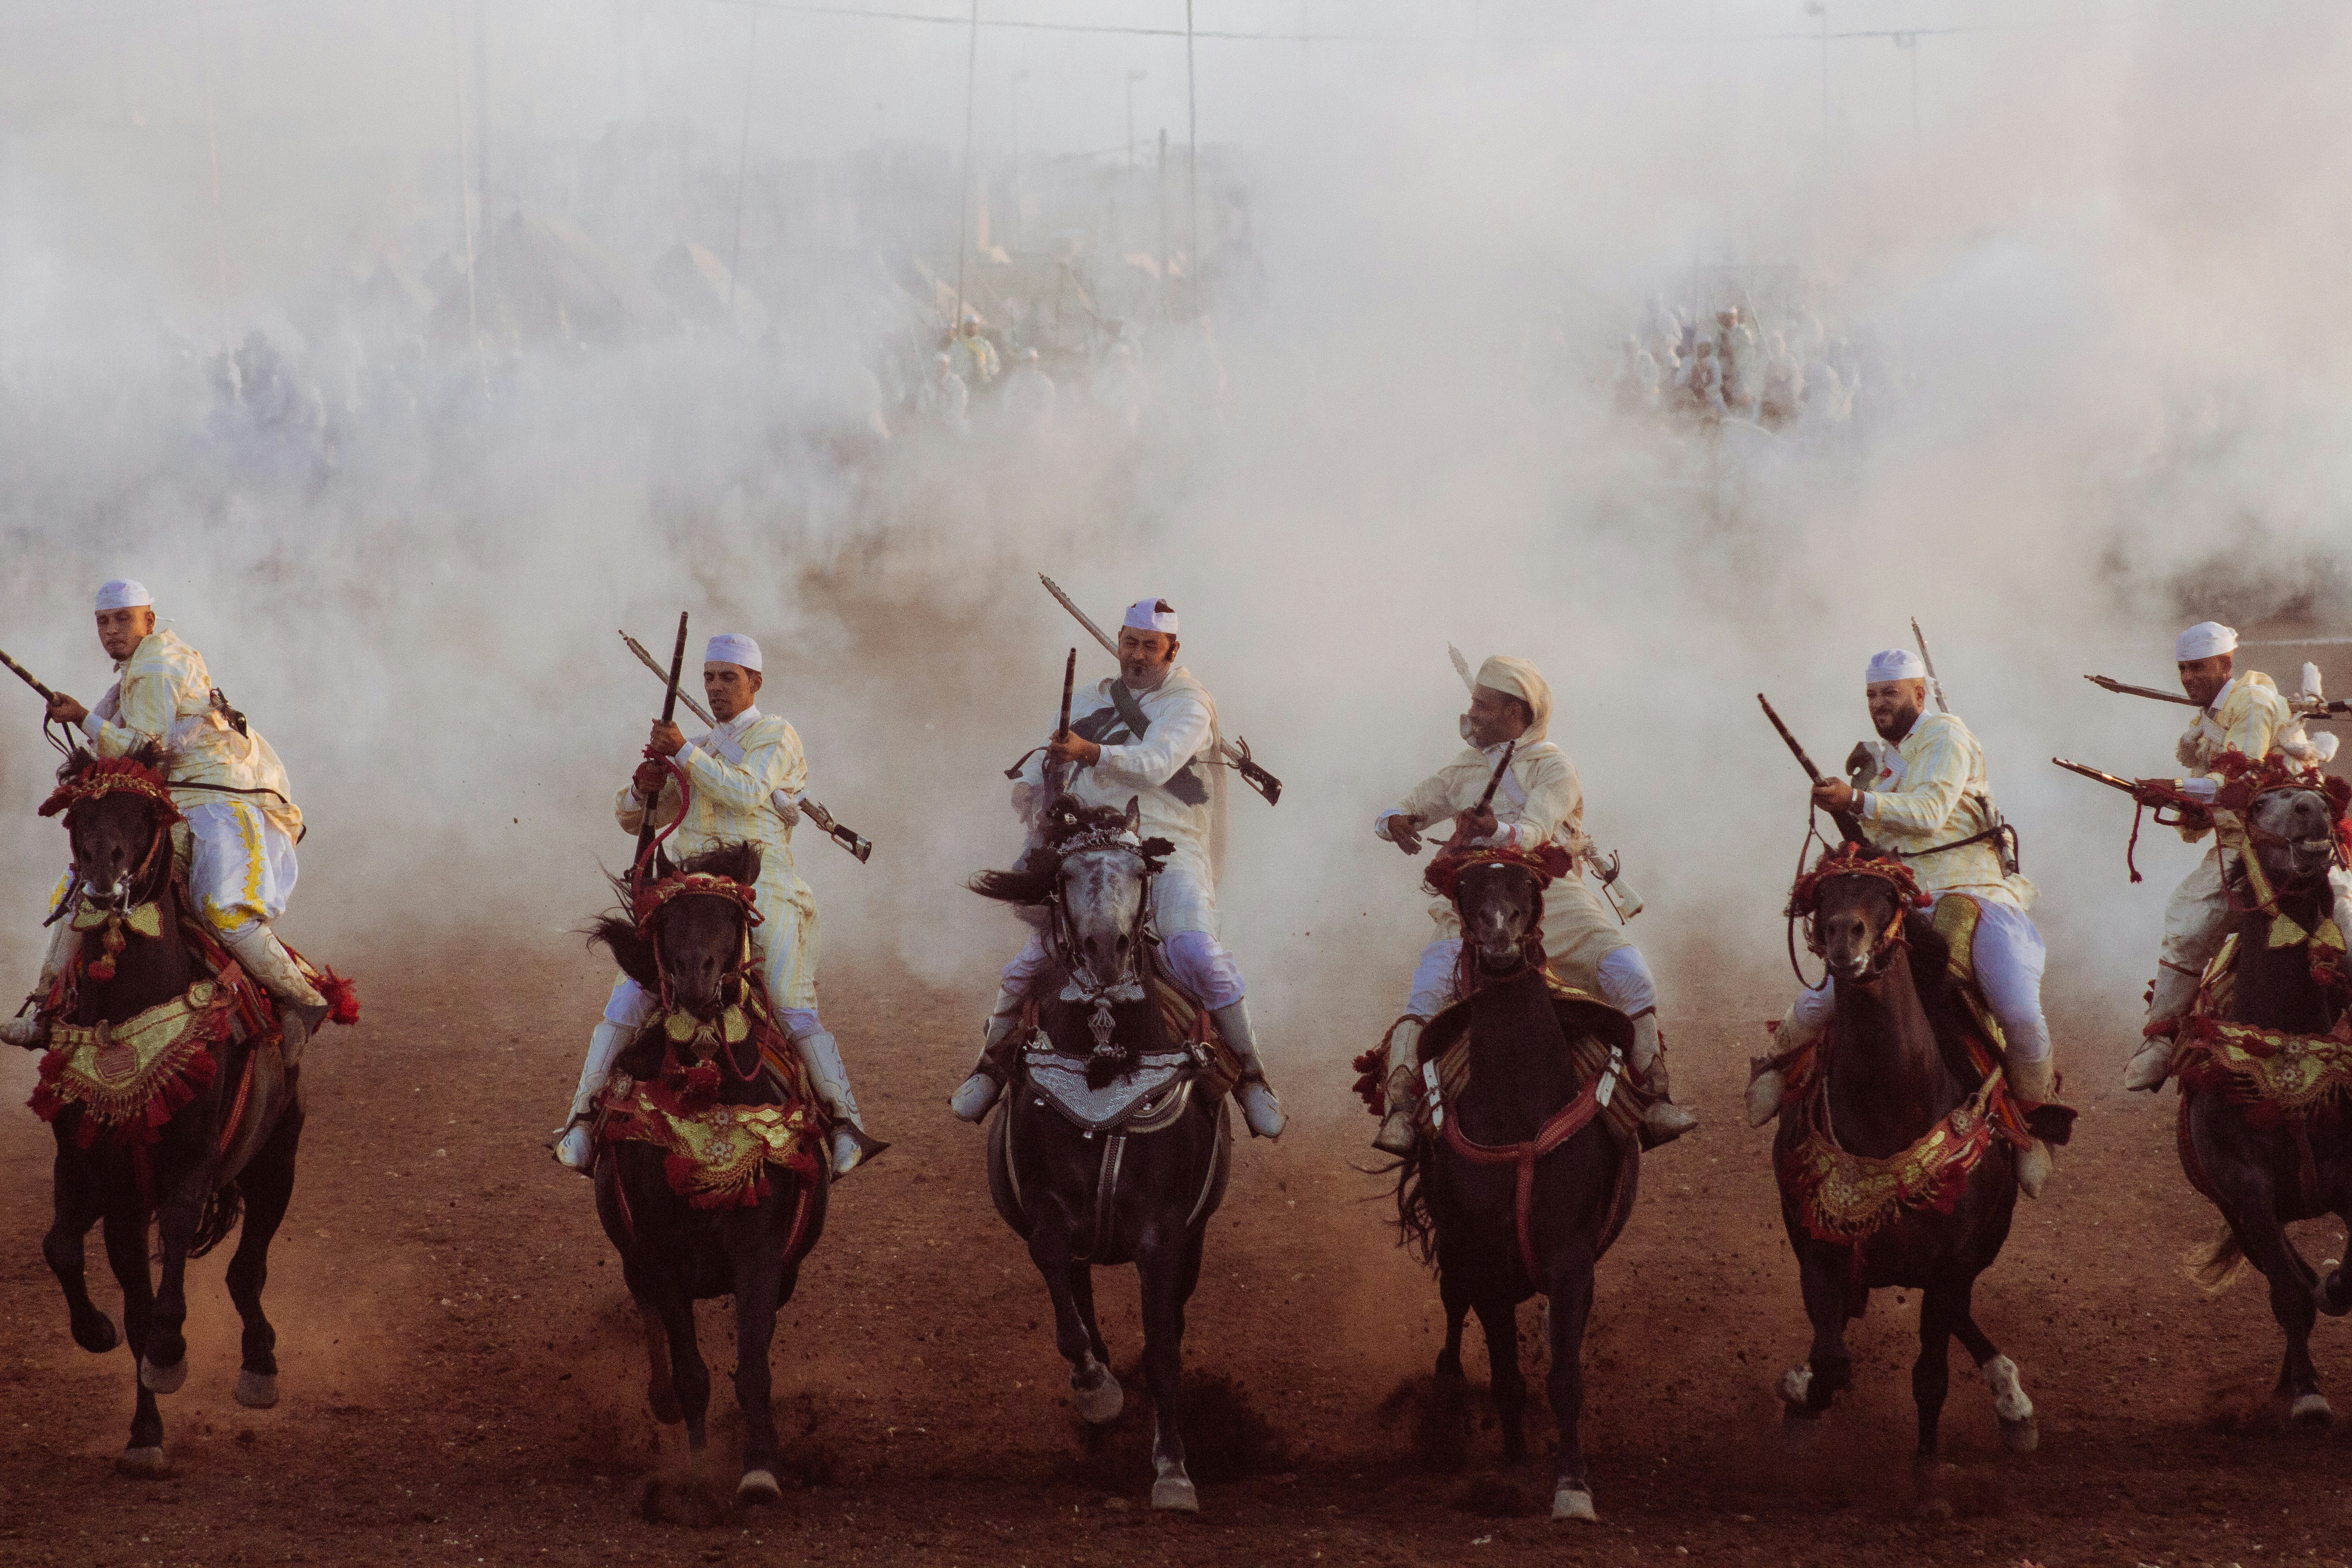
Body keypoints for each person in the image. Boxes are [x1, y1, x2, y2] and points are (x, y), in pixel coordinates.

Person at [950, 598, 1285, 1139]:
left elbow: (1154, 765)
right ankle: (989, 1067)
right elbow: (1047, 752)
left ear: (1173, 650)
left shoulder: (1190, 705)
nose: (1136, 655)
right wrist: (1031, 784)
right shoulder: (1091, 697)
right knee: (1036, 958)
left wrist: (1088, 752)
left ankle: (1251, 1076)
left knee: (1196, 951)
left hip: (1168, 847)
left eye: (1150, 646)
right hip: (1089, 843)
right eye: (1129, 643)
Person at [551, 633, 880, 1178]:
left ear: (755, 682)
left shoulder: (777, 735)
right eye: (708, 678)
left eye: (728, 677)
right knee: (630, 997)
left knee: (791, 1006)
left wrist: (683, 752)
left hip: (762, 888)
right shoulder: (699, 747)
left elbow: (746, 792)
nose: (716, 687)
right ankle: (581, 1121)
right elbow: (634, 819)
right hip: (689, 892)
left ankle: (846, 1124)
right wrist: (645, 785)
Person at [1369, 655, 1694, 1154]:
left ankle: (1655, 1095)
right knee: (1429, 985)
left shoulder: (1555, 767)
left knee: (1631, 972)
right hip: (1474, 901)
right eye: (1473, 701)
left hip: (1550, 894)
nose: (1471, 712)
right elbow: (1410, 803)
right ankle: (1400, 1110)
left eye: (1482, 705)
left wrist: (1493, 830)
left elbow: (1538, 830)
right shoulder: (1465, 769)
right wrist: (1395, 820)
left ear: (1516, 715)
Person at [1766, 648, 2058, 1193]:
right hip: (1906, 901)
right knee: (1827, 995)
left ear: (1919, 695)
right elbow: (1881, 838)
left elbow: (1930, 813)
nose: (1879, 703)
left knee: (2018, 1011)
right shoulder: (1887, 758)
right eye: (1873, 695)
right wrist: (1849, 814)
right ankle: (1776, 1068)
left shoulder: (1946, 735)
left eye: (1890, 693)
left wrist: (1857, 797)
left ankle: (2028, 1126)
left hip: (1976, 895)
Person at [19, 579, 328, 1051]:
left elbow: (146, 748)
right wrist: (81, 715)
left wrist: (81, 716)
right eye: (103, 621)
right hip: (178, 800)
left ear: (150, 620)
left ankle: (302, 999)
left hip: (219, 800)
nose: (112, 630)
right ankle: (46, 1007)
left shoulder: (155, 666)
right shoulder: (144, 663)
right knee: (87, 883)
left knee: (221, 909)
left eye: (123, 619)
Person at [2122, 620, 2343, 1089]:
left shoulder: (2254, 704)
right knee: (2186, 920)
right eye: (2183, 669)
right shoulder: (2206, 720)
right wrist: (2177, 803)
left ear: (2226, 665)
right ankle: (2159, 1038)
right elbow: (2215, 805)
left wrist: (2174, 787)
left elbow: (2239, 785)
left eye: (2198, 668)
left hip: (2296, 843)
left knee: (2343, 919)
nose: (2188, 678)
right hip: (2240, 846)